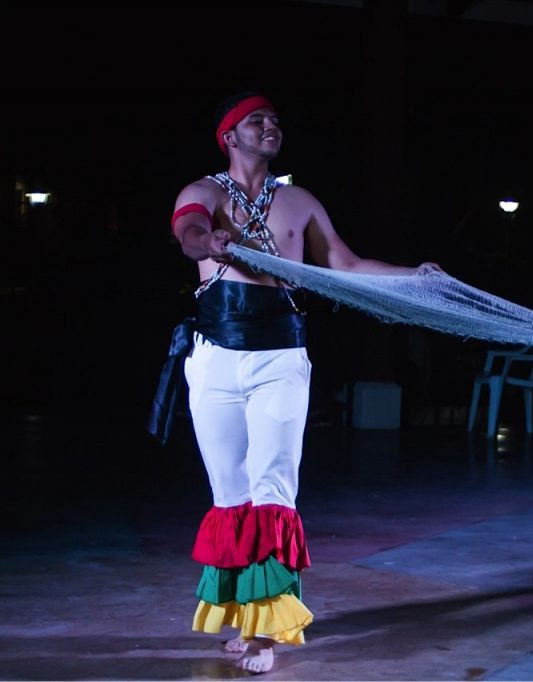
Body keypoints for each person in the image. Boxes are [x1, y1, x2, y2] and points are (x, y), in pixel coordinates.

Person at [167, 92, 436, 674]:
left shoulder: (298, 200)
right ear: (229, 136)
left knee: (272, 491)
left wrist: (411, 276)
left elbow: (344, 263)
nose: (271, 127)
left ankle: (266, 636)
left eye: (275, 121)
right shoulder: (205, 192)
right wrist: (209, 242)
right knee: (230, 494)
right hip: (215, 357)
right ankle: (244, 615)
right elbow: (188, 230)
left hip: (280, 360)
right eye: (256, 121)